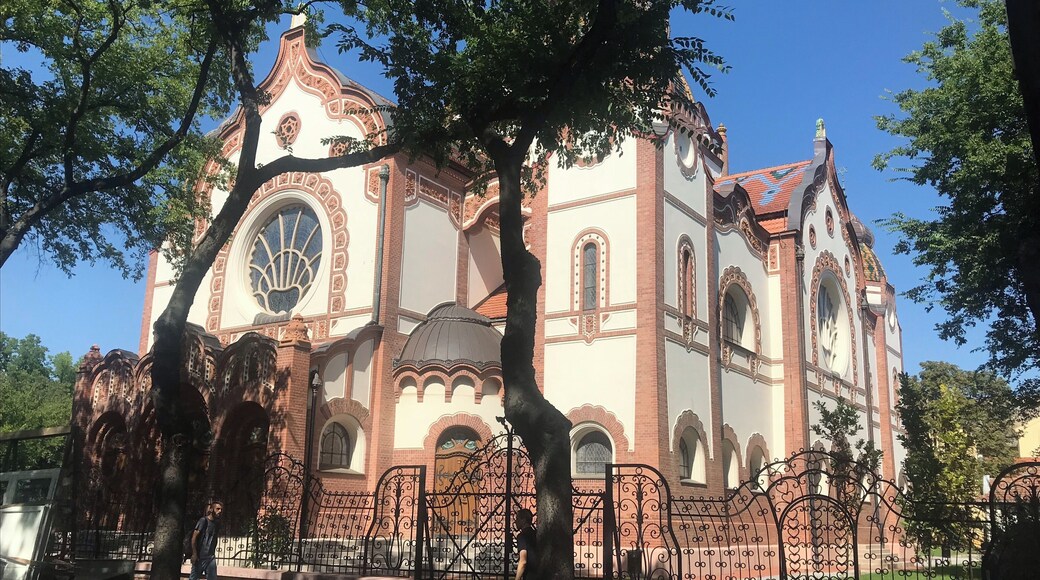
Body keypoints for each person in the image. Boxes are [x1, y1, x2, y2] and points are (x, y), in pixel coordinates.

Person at [189, 500, 223, 580]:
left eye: (221, 509)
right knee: (194, 578)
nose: (220, 511)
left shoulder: (217, 523)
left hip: (210, 557)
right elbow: (194, 537)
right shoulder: (203, 521)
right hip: (200, 557)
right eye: (217, 509)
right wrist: (194, 554)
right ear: (211, 509)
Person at [514, 508, 537, 580]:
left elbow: (523, 561)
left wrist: (517, 578)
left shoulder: (522, 536)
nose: (515, 521)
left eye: (517, 519)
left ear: (523, 520)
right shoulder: (536, 533)